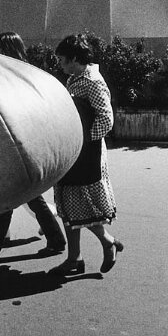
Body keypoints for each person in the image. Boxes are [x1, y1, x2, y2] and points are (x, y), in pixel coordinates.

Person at [0, 31, 67, 269]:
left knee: (7, 199)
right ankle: (56, 239)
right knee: (30, 196)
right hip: (26, 143)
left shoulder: (9, 74)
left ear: (7, 49)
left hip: (14, 144)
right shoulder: (27, 72)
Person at [52, 34, 123, 275]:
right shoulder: (74, 78)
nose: (60, 64)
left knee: (82, 206)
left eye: (62, 60)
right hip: (72, 151)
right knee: (67, 205)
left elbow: (106, 119)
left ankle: (107, 242)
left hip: (86, 153)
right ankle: (74, 258)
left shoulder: (92, 81)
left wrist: (80, 140)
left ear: (74, 58)